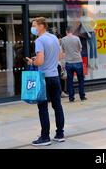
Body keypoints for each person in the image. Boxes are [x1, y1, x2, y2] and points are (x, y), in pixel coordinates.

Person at [26, 17, 65, 146]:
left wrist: (32, 61)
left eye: (34, 25)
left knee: (43, 108)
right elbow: (60, 56)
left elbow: (40, 61)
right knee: (57, 106)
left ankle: (45, 137)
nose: (33, 28)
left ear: (41, 26)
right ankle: (60, 134)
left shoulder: (39, 40)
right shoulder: (54, 38)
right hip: (55, 76)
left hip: (44, 78)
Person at [61, 25, 86, 102]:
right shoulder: (76, 38)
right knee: (80, 80)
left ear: (66, 31)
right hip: (78, 61)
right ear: (72, 31)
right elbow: (80, 48)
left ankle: (71, 98)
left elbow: (63, 50)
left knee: (70, 81)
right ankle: (82, 96)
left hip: (68, 62)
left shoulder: (63, 39)